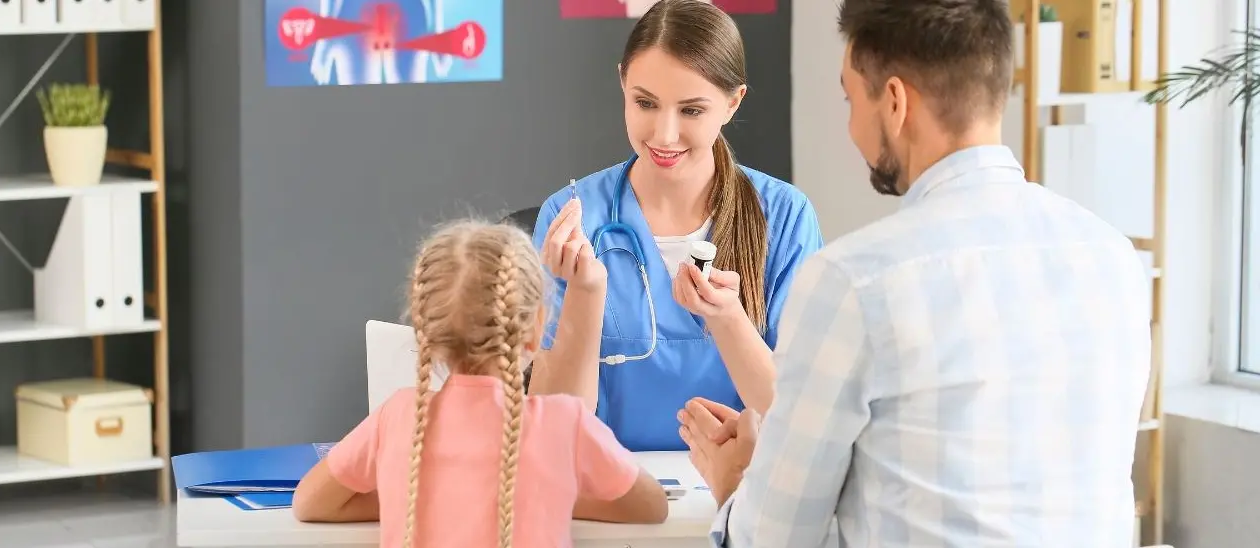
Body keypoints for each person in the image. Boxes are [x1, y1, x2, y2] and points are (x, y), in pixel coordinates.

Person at [679, 0, 1153, 546]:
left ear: (895, 102)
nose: (851, 126)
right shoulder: (1113, 258)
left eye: (850, 98)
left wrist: (736, 482)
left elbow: (773, 539)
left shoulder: (854, 282)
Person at [528, 0, 824, 453]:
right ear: (622, 82)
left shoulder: (785, 217)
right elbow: (551, 428)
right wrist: (585, 295)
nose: (664, 135)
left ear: (732, 102)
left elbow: (801, 418)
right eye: (645, 103)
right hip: (609, 486)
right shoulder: (570, 217)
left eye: (691, 111)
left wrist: (727, 319)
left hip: (737, 487)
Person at [292, 221, 669, 547]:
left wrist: (414, 498)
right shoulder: (565, 421)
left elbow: (309, 503)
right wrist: (554, 495)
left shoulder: (398, 415)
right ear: (536, 326)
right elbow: (652, 506)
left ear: (426, 332)